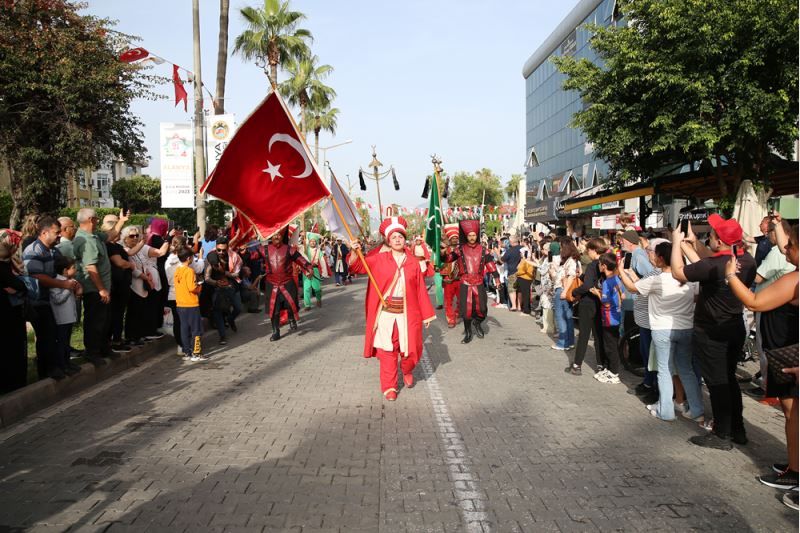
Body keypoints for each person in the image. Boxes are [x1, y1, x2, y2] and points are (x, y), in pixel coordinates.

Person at [671, 215, 757, 450]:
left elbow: (678, 272)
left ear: (718, 242)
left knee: (717, 383)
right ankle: (737, 429)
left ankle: (722, 434)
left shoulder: (714, 265)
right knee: (729, 380)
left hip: (712, 332)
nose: (708, 236)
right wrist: (692, 244)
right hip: (734, 327)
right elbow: (711, 261)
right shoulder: (747, 260)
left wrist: (677, 242)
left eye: (711, 234)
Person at [725, 219, 798, 492]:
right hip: (787, 349)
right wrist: (779, 225)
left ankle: (796, 472)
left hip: (790, 353)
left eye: (791, 245)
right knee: (791, 411)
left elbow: (754, 301)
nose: (784, 248)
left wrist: (731, 275)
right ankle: (794, 464)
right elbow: (783, 244)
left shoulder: (795, 278)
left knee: (793, 414)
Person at [351, 217, 435, 401]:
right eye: (393, 237)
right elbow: (358, 267)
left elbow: (420, 288)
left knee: (410, 350)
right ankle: (389, 387)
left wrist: (427, 314)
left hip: (408, 314)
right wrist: (354, 251)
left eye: (400, 236)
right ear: (388, 241)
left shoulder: (412, 262)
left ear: (405, 239)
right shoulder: (377, 259)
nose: (397, 239)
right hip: (386, 315)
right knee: (387, 350)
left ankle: (407, 369)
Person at [620, 240, 702, 422]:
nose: (652, 257)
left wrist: (621, 271)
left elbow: (632, 288)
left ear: (661, 258)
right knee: (686, 370)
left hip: (663, 329)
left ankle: (666, 411)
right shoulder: (689, 278)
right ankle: (697, 410)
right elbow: (696, 296)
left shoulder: (658, 280)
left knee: (664, 370)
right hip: (686, 328)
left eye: (655, 254)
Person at [23, 216, 83, 376]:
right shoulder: (33, 250)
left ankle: (61, 365)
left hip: (54, 301)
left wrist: (75, 284)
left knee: (57, 336)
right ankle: (47, 371)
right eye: (56, 232)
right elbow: (37, 276)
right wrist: (63, 285)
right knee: (46, 337)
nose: (59, 235)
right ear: (44, 232)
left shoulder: (53, 250)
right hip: (39, 302)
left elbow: (65, 270)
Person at [440, 218, 500, 344]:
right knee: (466, 312)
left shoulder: (484, 250)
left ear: (476, 236)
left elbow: (491, 265)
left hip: (478, 283)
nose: (472, 237)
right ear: (466, 236)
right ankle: (468, 333)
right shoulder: (459, 250)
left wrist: (497, 279)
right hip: (465, 283)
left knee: (482, 310)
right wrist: (443, 252)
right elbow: (448, 259)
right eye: (469, 235)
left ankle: (477, 323)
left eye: (473, 235)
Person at [73, 208, 117, 364]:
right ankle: (93, 352)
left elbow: (111, 235)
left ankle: (103, 348)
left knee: (104, 320)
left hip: (102, 288)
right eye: (97, 218)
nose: (98, 221)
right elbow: (91, 267)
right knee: (95, 322)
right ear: (91, 219)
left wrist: (123, 221)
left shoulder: (94, 236)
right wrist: (102, 289)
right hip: (94, 289)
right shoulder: (87, 240)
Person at [620, 229, 660, 403]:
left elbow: (646, 277)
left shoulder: (638, 255)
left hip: (645, 311)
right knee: (646, 351)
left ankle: (652, 386)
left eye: (622, 240)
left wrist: (630, 276)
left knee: (649, 352)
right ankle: (648, 383)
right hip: (640, 309)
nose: (620, 243)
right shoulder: (635, 254)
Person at [567, 238, 607, 376]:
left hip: (588, 302)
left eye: (588, 250)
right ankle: (601, 364)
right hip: (601, 301)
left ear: (594, 250)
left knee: (583, 334)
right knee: (598, 335)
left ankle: (577, 365)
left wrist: (574, 292)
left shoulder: (592, 265)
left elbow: (587, 286)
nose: (587, 252)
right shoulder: (606, 264)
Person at [263, 229, 310, 342]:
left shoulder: (289, 249)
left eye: (278, 234)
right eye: (274, 235)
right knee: (274, 310)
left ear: (282, 235)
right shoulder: (264, 249)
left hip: (287, 283)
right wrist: (244, 250)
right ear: (271, 237)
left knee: (291, 304)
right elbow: (251, 256)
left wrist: (308, 267)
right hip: (272, 284)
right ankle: (276, 331)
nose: (276, 236)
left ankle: (291, 318)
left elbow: (300, 259)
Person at [0, 229, 30, 393]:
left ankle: (16, 382)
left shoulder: (10, 263)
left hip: (14, 313)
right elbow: (18, 285)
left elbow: (21, 284)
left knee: (15, 349)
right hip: (5, 315)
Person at [165, 236, 204, 354]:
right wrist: (201, 258)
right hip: (187, 297)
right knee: (194, 326)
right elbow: (199, 269)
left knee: (180, 324)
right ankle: (194, 350)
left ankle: (182, 347)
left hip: (173, 294)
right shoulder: (186, 263)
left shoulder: (168, 260)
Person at [589, 253, 624, 384]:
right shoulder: (617, 279)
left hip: (609, 317)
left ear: (604, 266)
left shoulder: (607, 282)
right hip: (617, 315)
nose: (598, 266)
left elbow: (606, 302)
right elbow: (623, 296)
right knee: (611, 344)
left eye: (599, 264)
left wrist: (597, 293)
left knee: (610, 346)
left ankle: (614, 373)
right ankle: (610, 369)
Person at [204, 236, 242, 345]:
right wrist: (217, 283)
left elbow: (236, 274)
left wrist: (224, 273)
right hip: (216, 288)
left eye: (223, 250)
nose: (221, 252)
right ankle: (222, 336)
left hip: (231, 286)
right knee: (218, 312)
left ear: (228, 248)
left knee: (238, 308)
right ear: (215, 247)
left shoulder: (234, 257)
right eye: (218, 250)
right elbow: (207, 278)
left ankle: (230, 319)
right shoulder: (210, 257)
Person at [50, 255, 81, 376]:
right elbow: (57, 299)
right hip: (61, 318)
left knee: (67, 342)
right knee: (62, 343)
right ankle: (62, 365)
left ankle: (67, 363)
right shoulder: (57, 282)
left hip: (69, 317)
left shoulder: (70, 281)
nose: (76, 270)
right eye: (73, 267)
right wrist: (68, 289)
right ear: (64, 270)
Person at [174, 247, 206, 362]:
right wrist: (200, 286)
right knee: (196, 329)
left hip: (180, 304)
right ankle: (196, 353)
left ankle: (187, 352)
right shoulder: (189, 271)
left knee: (184, 328)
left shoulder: (177, 270)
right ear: (188, 258)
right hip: (191, 304)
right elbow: (192, 288)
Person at [552, 238, 580, 351]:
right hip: (564, 289)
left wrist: (564, 291)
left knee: (561, 317)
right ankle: (570, 341)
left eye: (561, 247)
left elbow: (571, 276)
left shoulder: (571, 261)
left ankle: (563, 342)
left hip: (563, 290)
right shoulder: (572, 260)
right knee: (568, 317)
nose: (560, 249)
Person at [439, 223, 461, 328]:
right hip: (448, 279)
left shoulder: (461, 250)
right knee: (448, 301)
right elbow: (440, 259)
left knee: (462, 300)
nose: (455, 240)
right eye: (453, 238)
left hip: (460, 278)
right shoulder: (444, 248)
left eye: (457, 238)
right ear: (449, 239)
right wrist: (442, 251)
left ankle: (457, 313)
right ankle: (451, 319)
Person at [301, 232, 329, 309]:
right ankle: (307, 305)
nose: (313, 242)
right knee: (306, 288)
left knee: (317, 288)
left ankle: (319, 299)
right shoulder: (305, 249)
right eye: (311, 241)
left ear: (316, 242)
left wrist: (324, 273)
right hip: (306, 270)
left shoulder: (318, 251)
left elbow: (322, 261)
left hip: (315, 270)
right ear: (309, 242)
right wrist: (304, 237)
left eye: (314, 241)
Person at [499, 236, 523, 311]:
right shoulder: (522, 248)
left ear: (511, 242)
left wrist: (498, 253)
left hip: (512, 271)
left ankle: (514, 305)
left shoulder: (509, 251)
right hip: (522, 272)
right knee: (520, 290)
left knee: (512, 289)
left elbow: (502, 261)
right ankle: (519, 306)